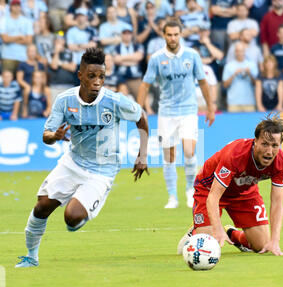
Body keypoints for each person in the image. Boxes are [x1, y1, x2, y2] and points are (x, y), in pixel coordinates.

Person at [15, 48, 149, 268]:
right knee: (41, 208)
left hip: (102, 170)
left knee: (72, 217)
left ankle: (83, 206)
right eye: (92, 76)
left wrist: (142, 155)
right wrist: (55, 136)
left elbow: (141, 117)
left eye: (102, 77)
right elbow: (46, 135)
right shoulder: (64, 100)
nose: (97, 82)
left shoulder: (114, 101)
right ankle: (31, 256)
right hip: (73, 162)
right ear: (80, 75)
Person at [177, 114, 283, 256]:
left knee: (262, 244)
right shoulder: (236, 155)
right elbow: (213, 196)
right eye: (265, 144)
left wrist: (275, 240)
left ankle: (233, 235)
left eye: (274, 145)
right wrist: (217, 229)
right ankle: (196, 231)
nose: (269, 151)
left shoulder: (280, 162)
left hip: (244, 192)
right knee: (209, 240)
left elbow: (277, 203)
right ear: (255, 141)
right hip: (209, 188)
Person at [137, 19, 215, 209]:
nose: (172, 38)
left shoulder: (192, 55)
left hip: (188, 110)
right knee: (169, 156)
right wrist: (139, 110)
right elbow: (145, 85)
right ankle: (172, 196)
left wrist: (210, 107)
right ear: (164, 35)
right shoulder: (156, 58)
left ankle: (190, 190)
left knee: (189, 151)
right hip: (166, 111)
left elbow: (203, 82)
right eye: (169, 34)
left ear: (181, 35)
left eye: (175, 34)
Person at [223, 41, 258, 112]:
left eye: (242, 51)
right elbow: (225, 85)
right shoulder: (229, 66)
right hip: (233, 103)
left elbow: (257, 84)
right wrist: (234, 74)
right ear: (235, 52)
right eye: (238, 51)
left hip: (249, 102)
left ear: (244, 51)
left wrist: (250, 74)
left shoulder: (252, 65)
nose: (240, 53)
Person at [0, 0, 34, 74]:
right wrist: (20, 37)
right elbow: (5, 39)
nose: (16, 7)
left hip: (22, 56)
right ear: (11, 7)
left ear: (20, 7)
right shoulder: (3, 20)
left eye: (18, 5)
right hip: (8, 56)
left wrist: (11, 38)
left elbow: (29, 40)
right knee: (7, 83)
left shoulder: (27, 21)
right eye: (14, 5)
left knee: (21, 82)